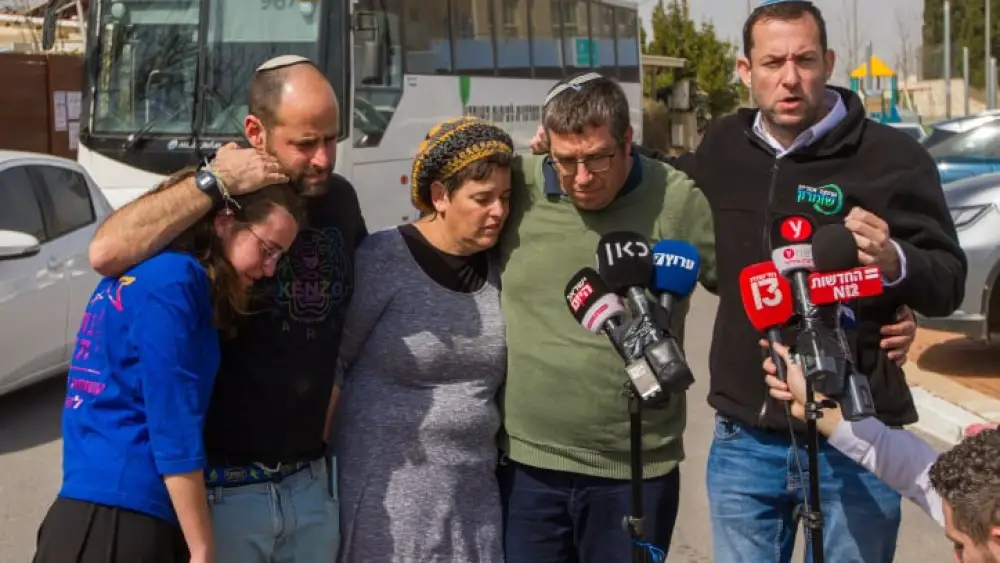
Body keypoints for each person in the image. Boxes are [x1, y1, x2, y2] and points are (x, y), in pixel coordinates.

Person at [684, 2, 966, 561]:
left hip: (857, 440)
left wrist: (895, 262)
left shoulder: (895, 157)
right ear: (745, 71)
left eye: (805, 60)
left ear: (829, 61)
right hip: (745, 440)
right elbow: (649, 187)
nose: (790, 78)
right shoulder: (723, 146)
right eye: (773, 62)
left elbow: (948, 281)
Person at [85, 55, 367, 563]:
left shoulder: (341, 201)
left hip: (310, 492)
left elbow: (363, 307)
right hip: (223, 495)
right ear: (256, 131)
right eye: (306, 143)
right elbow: (105, 251)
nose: (324, 158)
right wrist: (211, 183)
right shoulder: (215, 199)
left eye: (331, 138)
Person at [495, 71, 717, 562]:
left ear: (628, 141)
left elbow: (745, 290)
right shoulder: (517, 186)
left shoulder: (676, 198)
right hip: (529, 470)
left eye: (597, 157)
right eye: (565, 160)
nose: (581, 177)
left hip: (635, 472)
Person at [33, 177, 303, 563]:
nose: (269, 268)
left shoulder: (140, 274)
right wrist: (202, 548)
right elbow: (173, 427)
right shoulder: (175, 283)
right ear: (225, 222)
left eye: (279, 257)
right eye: (266, 249)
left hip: (87, 511)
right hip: (122, 518)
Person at [330, 117, 513, 562]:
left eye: (506, 198)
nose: (499, 211)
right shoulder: (383, 259)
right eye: (483, 198)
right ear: (440, 196)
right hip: (385, 506)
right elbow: (334, 362)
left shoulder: (502, 266)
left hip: (472, 506)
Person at [762, 341, 1000, 563]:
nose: (956, 559)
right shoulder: (978, 504)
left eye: (960, 546)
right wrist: (808, 402)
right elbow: (888, 451)